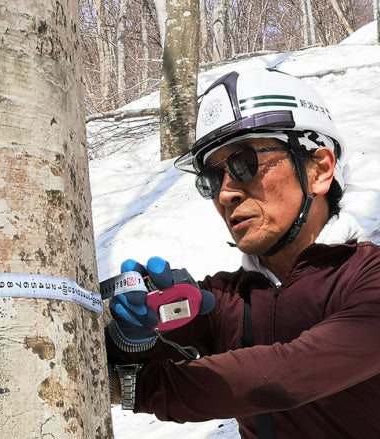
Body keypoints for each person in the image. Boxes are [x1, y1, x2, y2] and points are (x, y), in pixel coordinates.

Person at [105, 68, 380, 439]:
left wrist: (152, 388)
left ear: (319, 170)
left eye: (244, 163)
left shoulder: (370, 278)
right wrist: (129, 340)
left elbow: (288, 376)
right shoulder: (224, 299)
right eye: (212, 178)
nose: (225, 194)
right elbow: (125, 375)